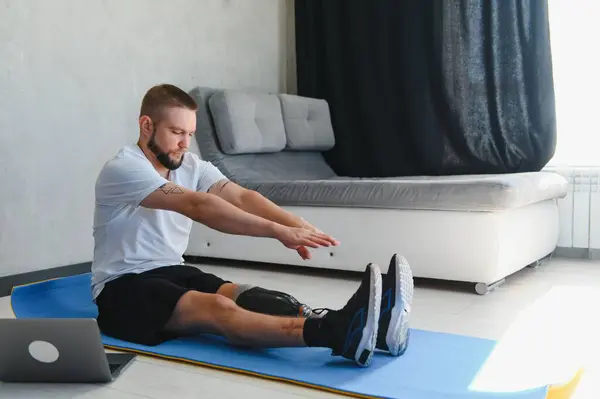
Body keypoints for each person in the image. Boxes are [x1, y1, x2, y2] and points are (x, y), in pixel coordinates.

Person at [90, 84, 414, 367]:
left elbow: (241, 196)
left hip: (172, 269)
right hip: (122, 288)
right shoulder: (124, 169)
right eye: (176, 133)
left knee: (240, 293)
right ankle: (337, 334)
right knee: (217, 306)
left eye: (189, 134)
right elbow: (199, 205)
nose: (185, 144)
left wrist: (295, 223)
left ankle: (360, 326)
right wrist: (277, 232)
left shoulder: (190, 164)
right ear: (147, 125)